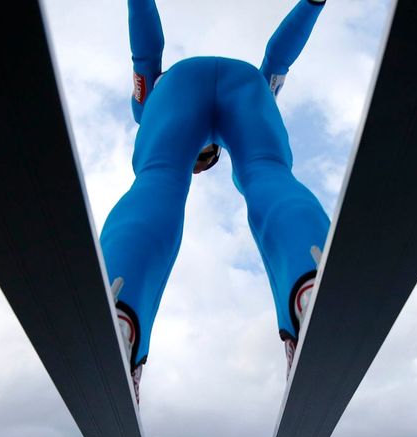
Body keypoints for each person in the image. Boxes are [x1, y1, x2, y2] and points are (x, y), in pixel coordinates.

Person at [101, 0, 330, 401]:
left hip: (182, 86)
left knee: (160, 177)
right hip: (246, 86)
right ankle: (310, 278)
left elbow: (145, 51)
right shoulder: (159, 101)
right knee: (266, 171)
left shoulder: (149, 105)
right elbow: (278, 58)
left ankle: (118, 310)